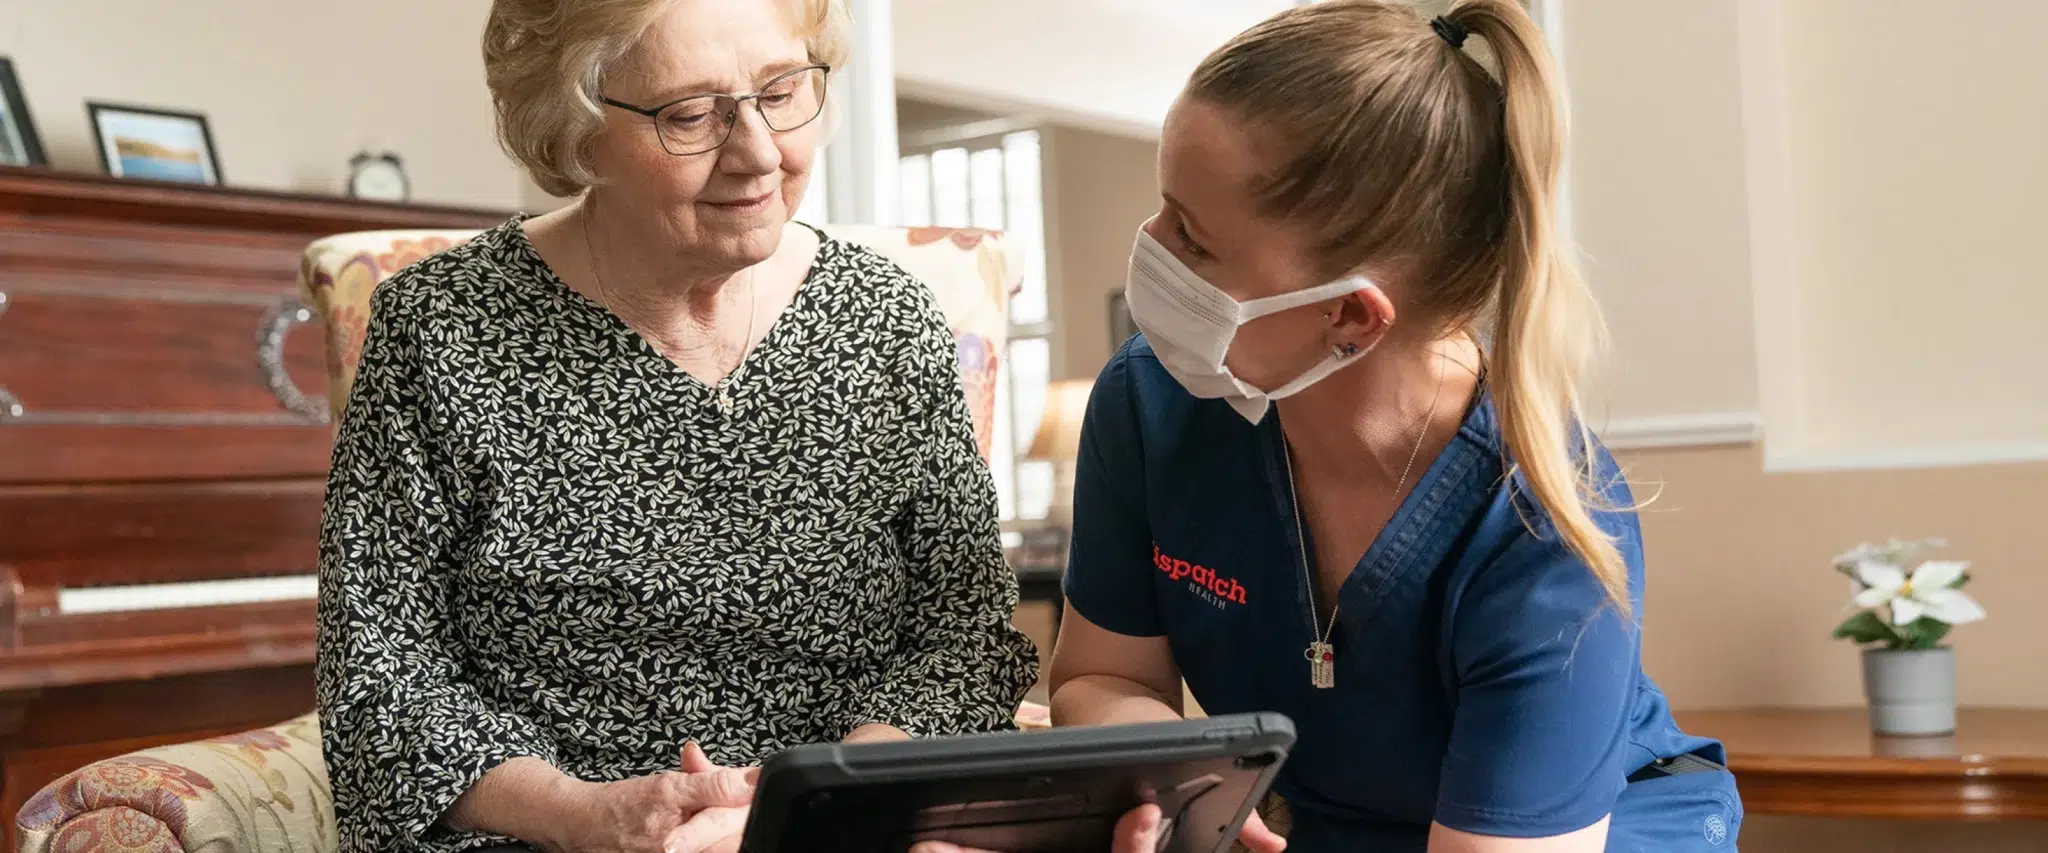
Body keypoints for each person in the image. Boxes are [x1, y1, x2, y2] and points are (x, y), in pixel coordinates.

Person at [313, 0, 1039, 850]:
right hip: (551, 835)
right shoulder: (441, 327)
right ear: (577, 135)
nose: (760, 152)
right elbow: (380, 674)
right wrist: (586, 815)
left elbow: (964, 638)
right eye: (692, 115)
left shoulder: (887, 319)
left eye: (781, 91)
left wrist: (825, 803)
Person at [1047, 2, 1744, 852]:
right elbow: (1102, 673)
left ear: (1350, 315)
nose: (1150, 246)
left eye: (1191, 238)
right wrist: (1178, 786)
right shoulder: (1150, 407)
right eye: (1165, 207)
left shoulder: (1543, 529)